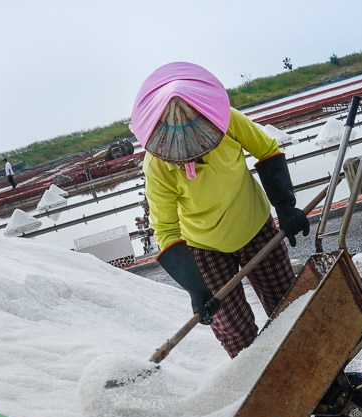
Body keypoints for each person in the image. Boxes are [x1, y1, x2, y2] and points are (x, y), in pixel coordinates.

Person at [129, 62, 309, 358]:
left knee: (287, 306)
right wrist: (194, 288)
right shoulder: (157, 164)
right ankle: (258, 382)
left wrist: (286, 207)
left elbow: (267, 151)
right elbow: (166, 230)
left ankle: (309, 365)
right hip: (203, 246)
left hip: (254, 226)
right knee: (233, 328)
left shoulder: (227, 120)